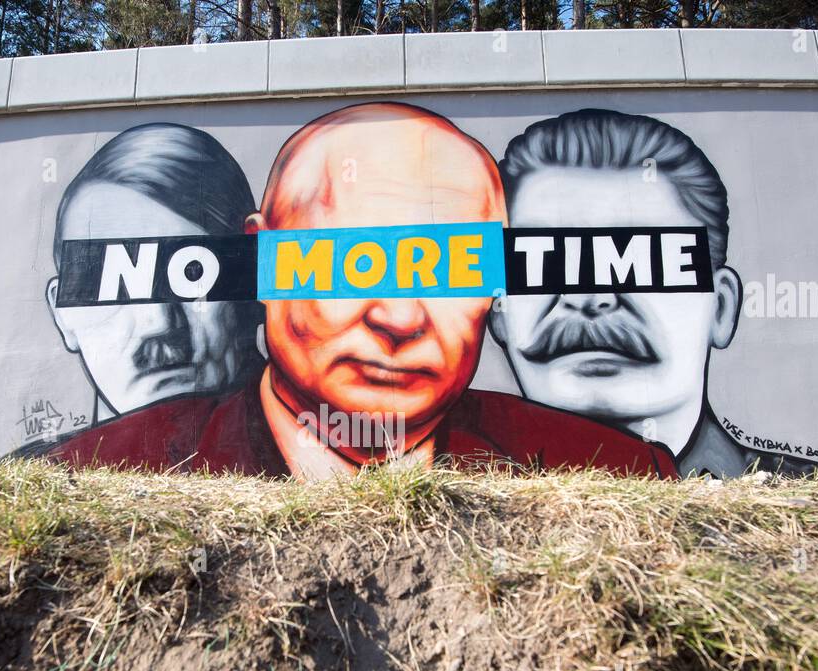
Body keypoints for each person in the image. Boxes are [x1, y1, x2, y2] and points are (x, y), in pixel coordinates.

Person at [41, 103, 676, 481]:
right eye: (349, 262)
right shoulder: (99, 473)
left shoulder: (608, 472)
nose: (400, 315)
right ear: (264, 260)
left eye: (453, 267)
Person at [493, 108, 818, 478]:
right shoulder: (470, 496)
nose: (589, 296)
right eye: (543, 263)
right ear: (496, 310)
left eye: (646, 261)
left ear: (721, 309)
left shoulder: (814, 493)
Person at [39, 123, 264, 431]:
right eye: (115, 282)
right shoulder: (51, 472)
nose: (160, 323)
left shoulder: (317, 454)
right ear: (62, 313)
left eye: (192, 273)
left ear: (256, 282)